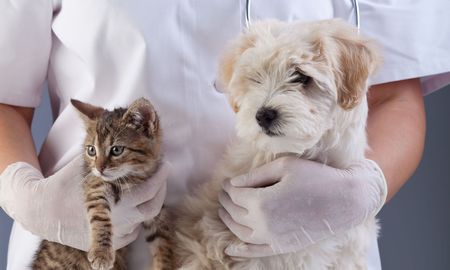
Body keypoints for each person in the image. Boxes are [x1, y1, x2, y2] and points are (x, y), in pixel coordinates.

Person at [0, 1, 449, 269]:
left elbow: (394, 96)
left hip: (306, 248)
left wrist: (359, 191)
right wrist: (27, 195)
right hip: (98, 244)